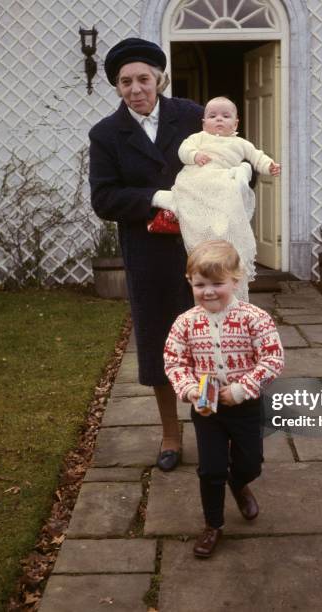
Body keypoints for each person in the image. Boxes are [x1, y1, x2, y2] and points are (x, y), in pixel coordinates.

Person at [88, 37, 204, 471]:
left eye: (142, 78)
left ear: (159, 78)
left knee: (208, 338)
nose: (135, 88)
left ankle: (210, 426)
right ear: (117, 87)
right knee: (160, 342)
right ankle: (171, 434)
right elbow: (104, 198)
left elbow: (233, 162)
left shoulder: (192, 116)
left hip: (203, 249)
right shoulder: (105, 134)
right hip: (148, 254)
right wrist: (158, 197)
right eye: (125, 82)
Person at [163, 240, 284, 557]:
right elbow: (174, 363)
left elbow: (272, 360)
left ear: (236, 279)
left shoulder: (254, 318)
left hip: (245, 406)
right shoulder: (186, 323)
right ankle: (212, 525)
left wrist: (243, 388)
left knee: (250, 464)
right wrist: (190, 389)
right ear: (190, 282)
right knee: (210, 469)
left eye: (218, 283)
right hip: (207, 409)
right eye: (200, 284)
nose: (209, 292)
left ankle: (239, 482)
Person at [154, 97, 281, 301]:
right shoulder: (199, 138)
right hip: (198, 176)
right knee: (188, 191)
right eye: (212, 116)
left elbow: (258, 156)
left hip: (222, 178)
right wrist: (194, 156)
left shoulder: (240, 143)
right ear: (204, 123)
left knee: (228, 200)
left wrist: (269, 166)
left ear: (236, 123)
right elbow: (183, 150)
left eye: (225, 116)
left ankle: (221, 232)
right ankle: (177, 204)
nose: (218, 120)